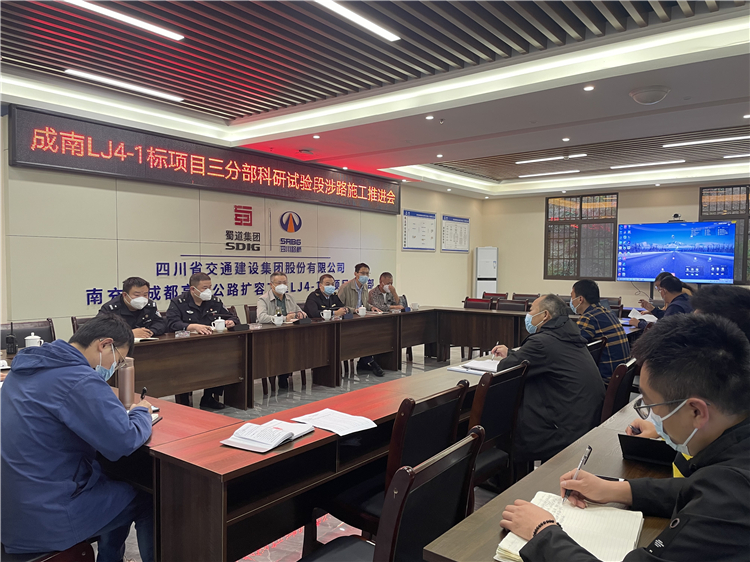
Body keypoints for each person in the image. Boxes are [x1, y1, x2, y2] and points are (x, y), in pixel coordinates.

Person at [499, 314, 750, 561]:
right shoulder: (732, 454)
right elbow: (692, 489)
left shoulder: (728, 498)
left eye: (652, 406)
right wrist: (615, 489)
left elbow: (711, 496)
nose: (652, 417)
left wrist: (543, 533)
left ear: (696, 412)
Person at [1, 315, 154, 562]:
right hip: (46, 517)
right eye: (118, 360)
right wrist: (141, 413)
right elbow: (124, 440)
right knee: (147, 499)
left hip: (12, 508)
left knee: (112, 484)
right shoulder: (78, 378)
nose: (115, 368)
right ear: (105, 345)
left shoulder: (24, 369)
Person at [626, 284, 750, 477]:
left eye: (698, 329)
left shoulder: (727, 475)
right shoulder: (725, 415)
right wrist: (667, 428)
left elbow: (699, 486)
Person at [491, 294, 604, 465]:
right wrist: (512, 353)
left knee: (502, 418)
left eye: (531, 310)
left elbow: (506, 370)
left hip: (563, 432)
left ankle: (505, 470)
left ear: (545, 315)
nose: (528, 315)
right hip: (584, 421)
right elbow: (543, 357)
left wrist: (511, 358)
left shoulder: (542, 342)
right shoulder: (567, 334)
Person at [166, 272, 240, 409]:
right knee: (184, 367)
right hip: (186, 348)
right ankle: (184, 402)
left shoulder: (214, 301)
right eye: (204, 288)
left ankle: (208, 398)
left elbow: (232, 317)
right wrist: (193, 326)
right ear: (193, 289)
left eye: (210, 287)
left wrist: (231, 322)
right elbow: (171, 323)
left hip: (212, 346)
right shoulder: (178, 302)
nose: (208, 291)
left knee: (223, 360)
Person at [570, 279, 630, 381]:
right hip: (620, 380)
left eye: (572, 297)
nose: (571, 301)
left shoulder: (588, 318)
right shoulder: (608, 313)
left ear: (580, 299)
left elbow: (571, 347)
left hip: (605, 381)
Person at [256, 271, 307, 388]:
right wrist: (284, 318)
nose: (282, 285)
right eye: (279, 283)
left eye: (284, 283)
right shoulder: (263, 299)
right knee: (281, 350)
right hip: (270, 336)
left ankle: (286, 374)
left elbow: (301, 312)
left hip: (290, 334)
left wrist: (300, 314)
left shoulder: (290, 298)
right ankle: (282, 376)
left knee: (296, 347)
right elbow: (261, 317)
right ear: (271, 285)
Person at [338, 263, 385, 377]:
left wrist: (371, 307)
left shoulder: (365, 287)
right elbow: (339, 306)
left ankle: (364, 362)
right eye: (363, 273)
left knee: (375, 333)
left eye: (367, 273)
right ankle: (371, 362)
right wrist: (354, 310)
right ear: (355, 274)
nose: (365, 276)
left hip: (361, 320)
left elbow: (364, 304)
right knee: (364, 336)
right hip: (348, 322)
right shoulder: (345, 287)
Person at [98, 276, 166, 338]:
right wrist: (129, 334)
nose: (142, 298)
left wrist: (149, 332)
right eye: (137, 295)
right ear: (125, 295)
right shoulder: (110, 308)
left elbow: (161, 323)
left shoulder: (150, 305)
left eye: (145, 295)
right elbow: (101, 329)